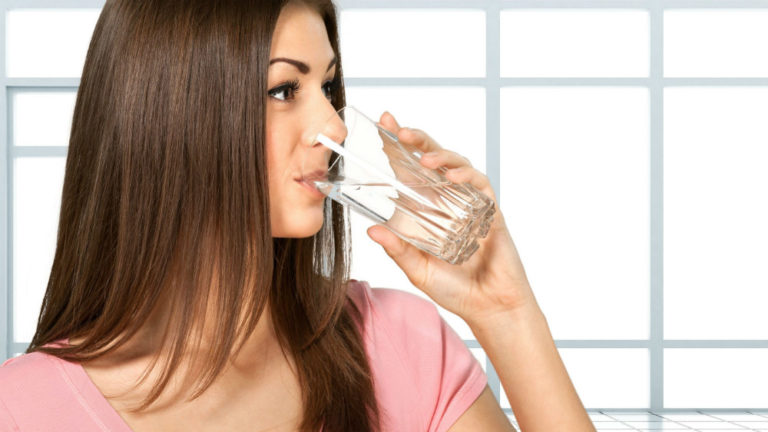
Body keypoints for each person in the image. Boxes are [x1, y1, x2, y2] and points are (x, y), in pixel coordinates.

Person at [0, 1, 595, 431]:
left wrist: (507, 313)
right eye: (284, 90)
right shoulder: (23, 407)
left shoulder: (397, 344)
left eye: (328, 86)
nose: (335, 127)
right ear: (173, 115)